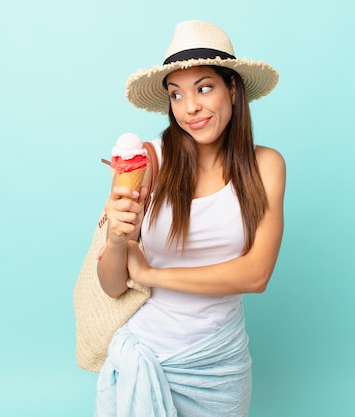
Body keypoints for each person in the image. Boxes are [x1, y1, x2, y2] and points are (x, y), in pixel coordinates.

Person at [96, 20, 286, 417]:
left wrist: (150, 275)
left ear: (232, 89)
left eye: (204, 88)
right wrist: (116, 239)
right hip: (146, 355)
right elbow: (113, 286)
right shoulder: (148, 162)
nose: (190, 107)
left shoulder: (267, 165)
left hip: (219, 364)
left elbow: (256, 276)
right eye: (176, 94)